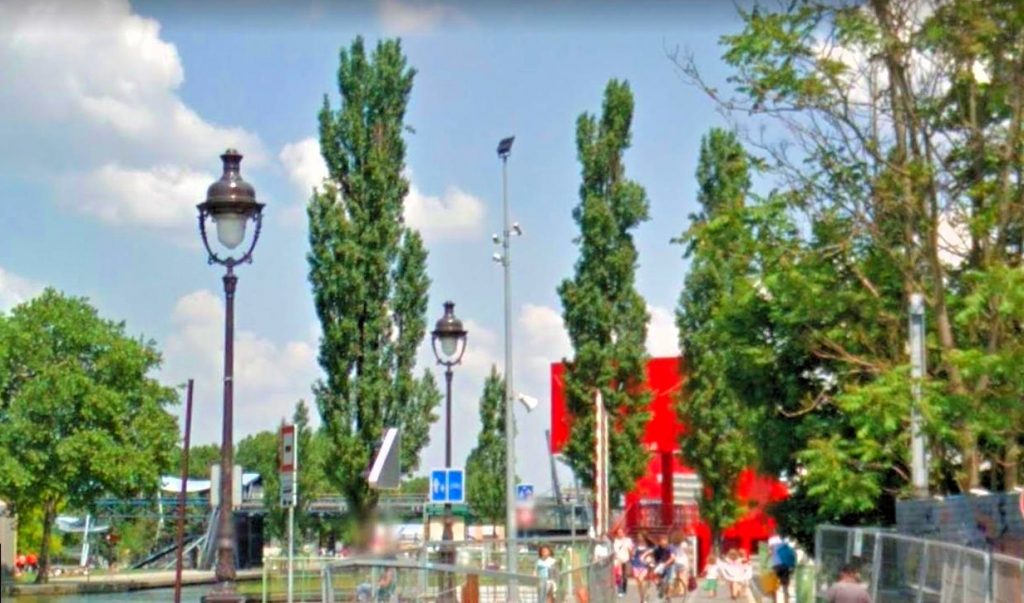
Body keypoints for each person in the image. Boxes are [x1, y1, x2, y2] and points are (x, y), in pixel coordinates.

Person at [643, 535, 676, 600]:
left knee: (669, 581)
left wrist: (665, 564)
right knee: (656, 577)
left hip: (669, 565)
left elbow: (672, 557)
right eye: (662, 542)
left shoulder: (670, 548)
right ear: (659, 542)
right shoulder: (657, 548)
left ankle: (668, 596)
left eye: (664, 542)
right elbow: (650, 552)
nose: (663, 544)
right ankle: (660, 587)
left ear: (667, 542)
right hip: (660, 565)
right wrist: (644, 557)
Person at [770, 537, 797, 603]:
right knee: (785, 588)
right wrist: (792, 567)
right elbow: (794, 556)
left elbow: (770, 553)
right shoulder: (788, 547)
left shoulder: (774, 545)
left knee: (773, 587)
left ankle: (774, 601)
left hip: (776, 567)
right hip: (785, 567)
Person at [632, 533, 654, 602]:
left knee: (641, 580)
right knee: (639, 583)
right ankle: (642, 597)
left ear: (644, 537)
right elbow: (633, 555)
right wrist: (632, 552)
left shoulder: (648, 546)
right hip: (636, 565)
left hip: (644, 565)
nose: (639, 538)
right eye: (638, 537)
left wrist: (650, 562)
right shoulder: (636, 546)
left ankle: (644, 597)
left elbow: (651, 555)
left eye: (640, 536)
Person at [612, 528, 634, 597]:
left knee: (625, 576)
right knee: (618, 576)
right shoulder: (616, 541)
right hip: (618, 560)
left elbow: (631, 550)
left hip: (626, 560)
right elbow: (614, 551)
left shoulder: (628, 540)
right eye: (618, 532)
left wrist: (631, 558)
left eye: (621, 532)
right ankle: (619, 590)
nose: (620, 534)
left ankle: (624, 589)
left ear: (623, 533)